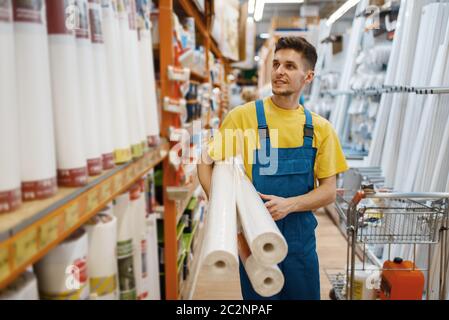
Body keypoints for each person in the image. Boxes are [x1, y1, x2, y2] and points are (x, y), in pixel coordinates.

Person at [197, 36, 349, 300]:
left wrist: (289, 204)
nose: (279, 71)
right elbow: (204, 163)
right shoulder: (243, 117)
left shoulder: (320, 129)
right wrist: (226, 211)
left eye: (290, 66)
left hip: (300, 248)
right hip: (257, 247)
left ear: (308, 76)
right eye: (276, 64)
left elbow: (328, 192)